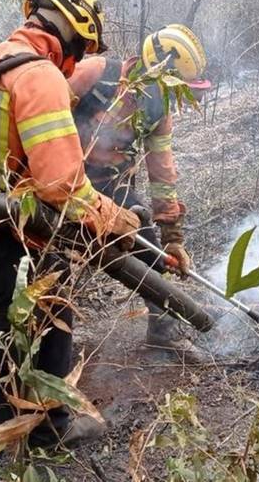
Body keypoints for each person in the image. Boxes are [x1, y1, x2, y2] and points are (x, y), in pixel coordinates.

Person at [0, 0, 139, 482]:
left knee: (55, 313)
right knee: (1, 353)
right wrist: (115, 217)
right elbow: (61, 186)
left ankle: (50, 428)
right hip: (11, 236)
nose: (80, 58)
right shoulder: (39, 75)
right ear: (75, 29)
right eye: (84, 46)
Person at [67, 24, 210, 356]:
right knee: (52, 262)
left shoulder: (159, 112)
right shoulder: (95, 74)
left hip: (112, 186)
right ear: (156, 69)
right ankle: (46, 342)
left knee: (151, 258)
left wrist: (172, 236)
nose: (172, 98)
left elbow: (162, 172)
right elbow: (42, 112)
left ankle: (162, 332)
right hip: (62, 181)